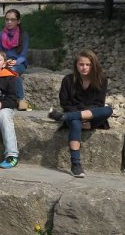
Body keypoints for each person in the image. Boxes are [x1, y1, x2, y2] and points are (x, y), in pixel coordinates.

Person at [47, 49, 113, 178]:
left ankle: (63, 117)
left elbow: (99, 104)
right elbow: (65, 103)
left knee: (108, 110)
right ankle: (75, 164)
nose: (84, 67)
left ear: (94, 65)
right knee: (75, 122)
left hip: (92, 117)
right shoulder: (67, 80)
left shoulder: (101, 80)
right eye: (81, 64)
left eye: (88, 64)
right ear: (76, 65)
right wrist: (80, 114)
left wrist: (82, 114)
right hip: (75, 115)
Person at [0, 8, 30, 110]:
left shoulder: (24, 35)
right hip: (3, 62)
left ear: (18, 21)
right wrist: (4, 61)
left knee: (12, 70)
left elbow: (24, 54)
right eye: (7, 19)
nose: (9, 22)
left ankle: (21, 99)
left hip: (19, 63)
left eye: (12, 20)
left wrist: (16, 62)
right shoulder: (0, 35)